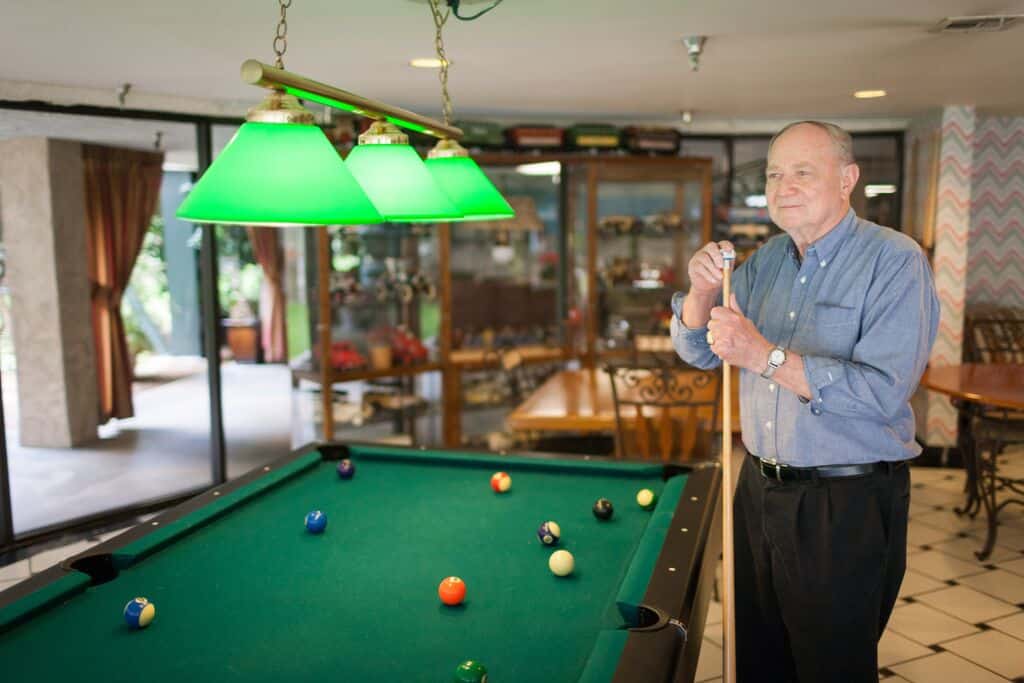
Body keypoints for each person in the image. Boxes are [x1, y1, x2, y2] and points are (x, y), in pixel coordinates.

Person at [670, 121, 939, 682]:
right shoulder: (767, 259)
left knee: (829, 665)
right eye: (774, 174)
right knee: (758, 657)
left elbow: (883, 390)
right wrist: (700, 291)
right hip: (757, 488)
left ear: (847, 179)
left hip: (843, 500)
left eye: (802, 172)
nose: (783, 186)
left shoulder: (895, 260)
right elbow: (698, 351)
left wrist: (763, 355)